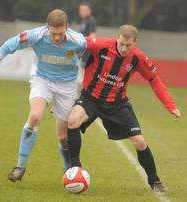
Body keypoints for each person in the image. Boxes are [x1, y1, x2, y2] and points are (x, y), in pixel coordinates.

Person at [67, 25, 181, 193]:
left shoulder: (139, 58)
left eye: (128, 45)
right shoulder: (101, 45)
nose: (124, 48)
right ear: (117, 38)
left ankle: (155, 181)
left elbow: (154, 80)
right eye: (121, 44)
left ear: (135, 42)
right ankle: (75, 168)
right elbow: (78, 41)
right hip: (90, 98)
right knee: (72, 120)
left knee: (139, 141)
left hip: (117, 103)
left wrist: (170, 106)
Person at [0, 9, 86, 182]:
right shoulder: (35, 35)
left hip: (67, 85)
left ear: (68, 27)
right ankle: (20, 166)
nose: (57, 37)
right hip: (42, 79)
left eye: (60, 33)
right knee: (35, 116)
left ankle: (68, 169)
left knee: (63, 137)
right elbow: (7, 46)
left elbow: (90, 59)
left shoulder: (78, 41)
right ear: (47, 26)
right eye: (53, 33)